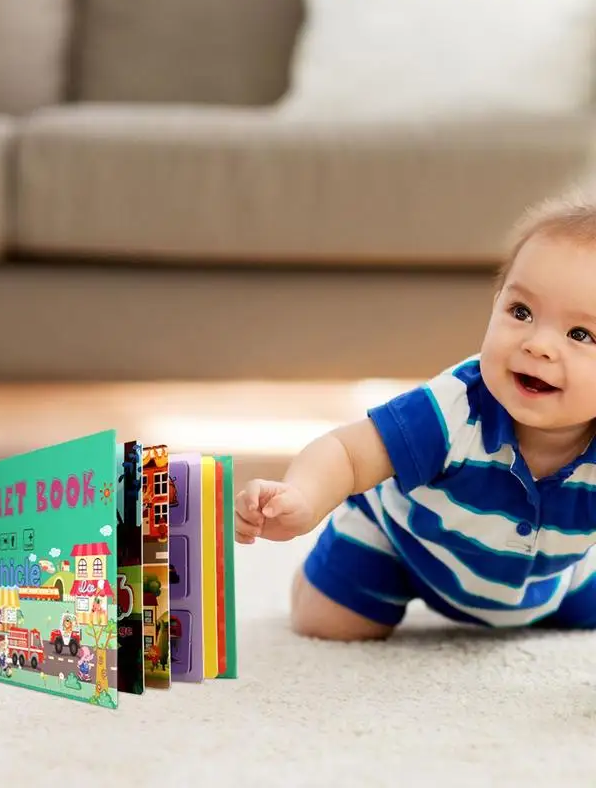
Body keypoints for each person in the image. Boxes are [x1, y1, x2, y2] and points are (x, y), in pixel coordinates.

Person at [235, 191, 596, 641]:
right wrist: (303, 497)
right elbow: (347, 453)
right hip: (405, 547)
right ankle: (339, 558)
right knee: (328, 624)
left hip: (553, 579)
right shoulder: (454, 408)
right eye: (520, 311)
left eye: (580, 333)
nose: (538, 344)